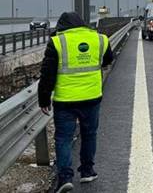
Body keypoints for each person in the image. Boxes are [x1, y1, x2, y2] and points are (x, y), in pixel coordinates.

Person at [38, 12, 114, 193]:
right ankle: (87, 171)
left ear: (62, 26)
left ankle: (65, 178)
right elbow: (108, 60)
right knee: (89, 134)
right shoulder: (100, 39)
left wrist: (43, 98)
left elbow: (47, 74)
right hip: (91, 97)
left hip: (65, 100)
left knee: (63, 138)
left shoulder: (57, 42)